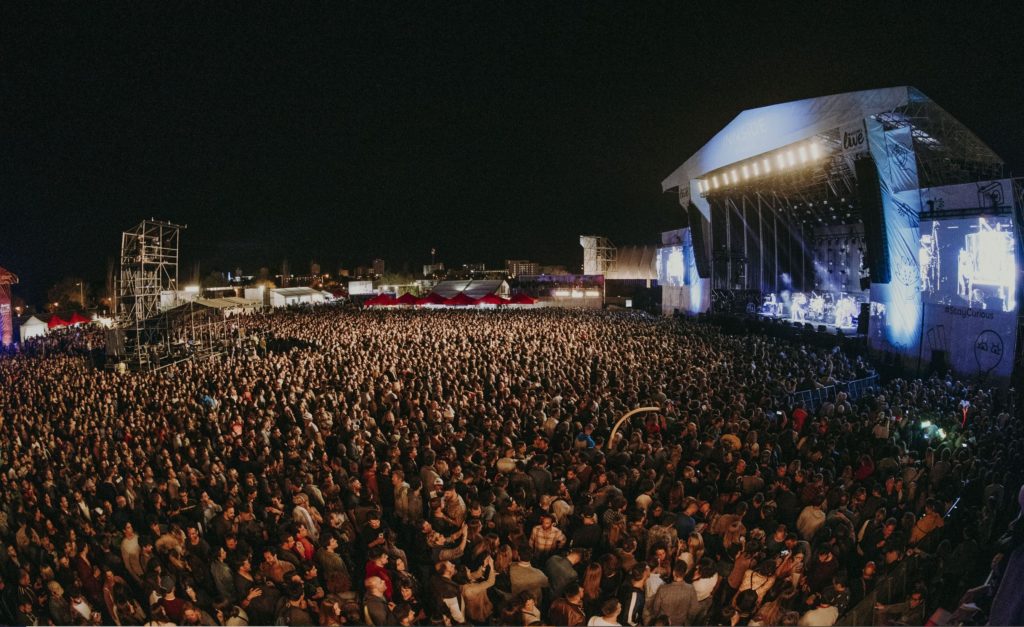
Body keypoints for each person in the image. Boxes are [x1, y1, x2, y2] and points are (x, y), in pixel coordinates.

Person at [646, 561, 696, 626]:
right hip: (680, 623)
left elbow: (656, 608)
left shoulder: (663, 588)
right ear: (685, 572)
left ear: (673, 572)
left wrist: (656, 619)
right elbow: (694, 610)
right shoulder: (691, 589)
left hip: (663, 623)